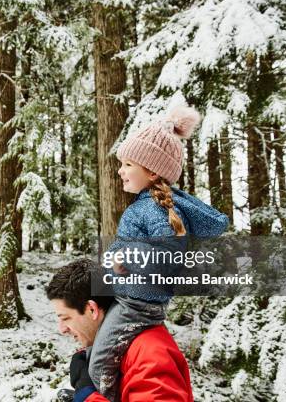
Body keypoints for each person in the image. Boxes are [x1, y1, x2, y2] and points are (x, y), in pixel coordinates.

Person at [90, 106, 229, 401]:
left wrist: (123, 256)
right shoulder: (146, 205)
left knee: (98, 368)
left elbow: (168, 257)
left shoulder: (157, 208)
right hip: (130, 299)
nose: (120, 170)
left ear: (152, 170)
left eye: (128, 164)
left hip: (136, 306)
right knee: (99, 358)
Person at [46, 259, 193, 402]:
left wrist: (88, 397)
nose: (62, 329)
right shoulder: (124, 349)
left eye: (65, 318)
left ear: (92, 309)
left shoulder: (150, 354)